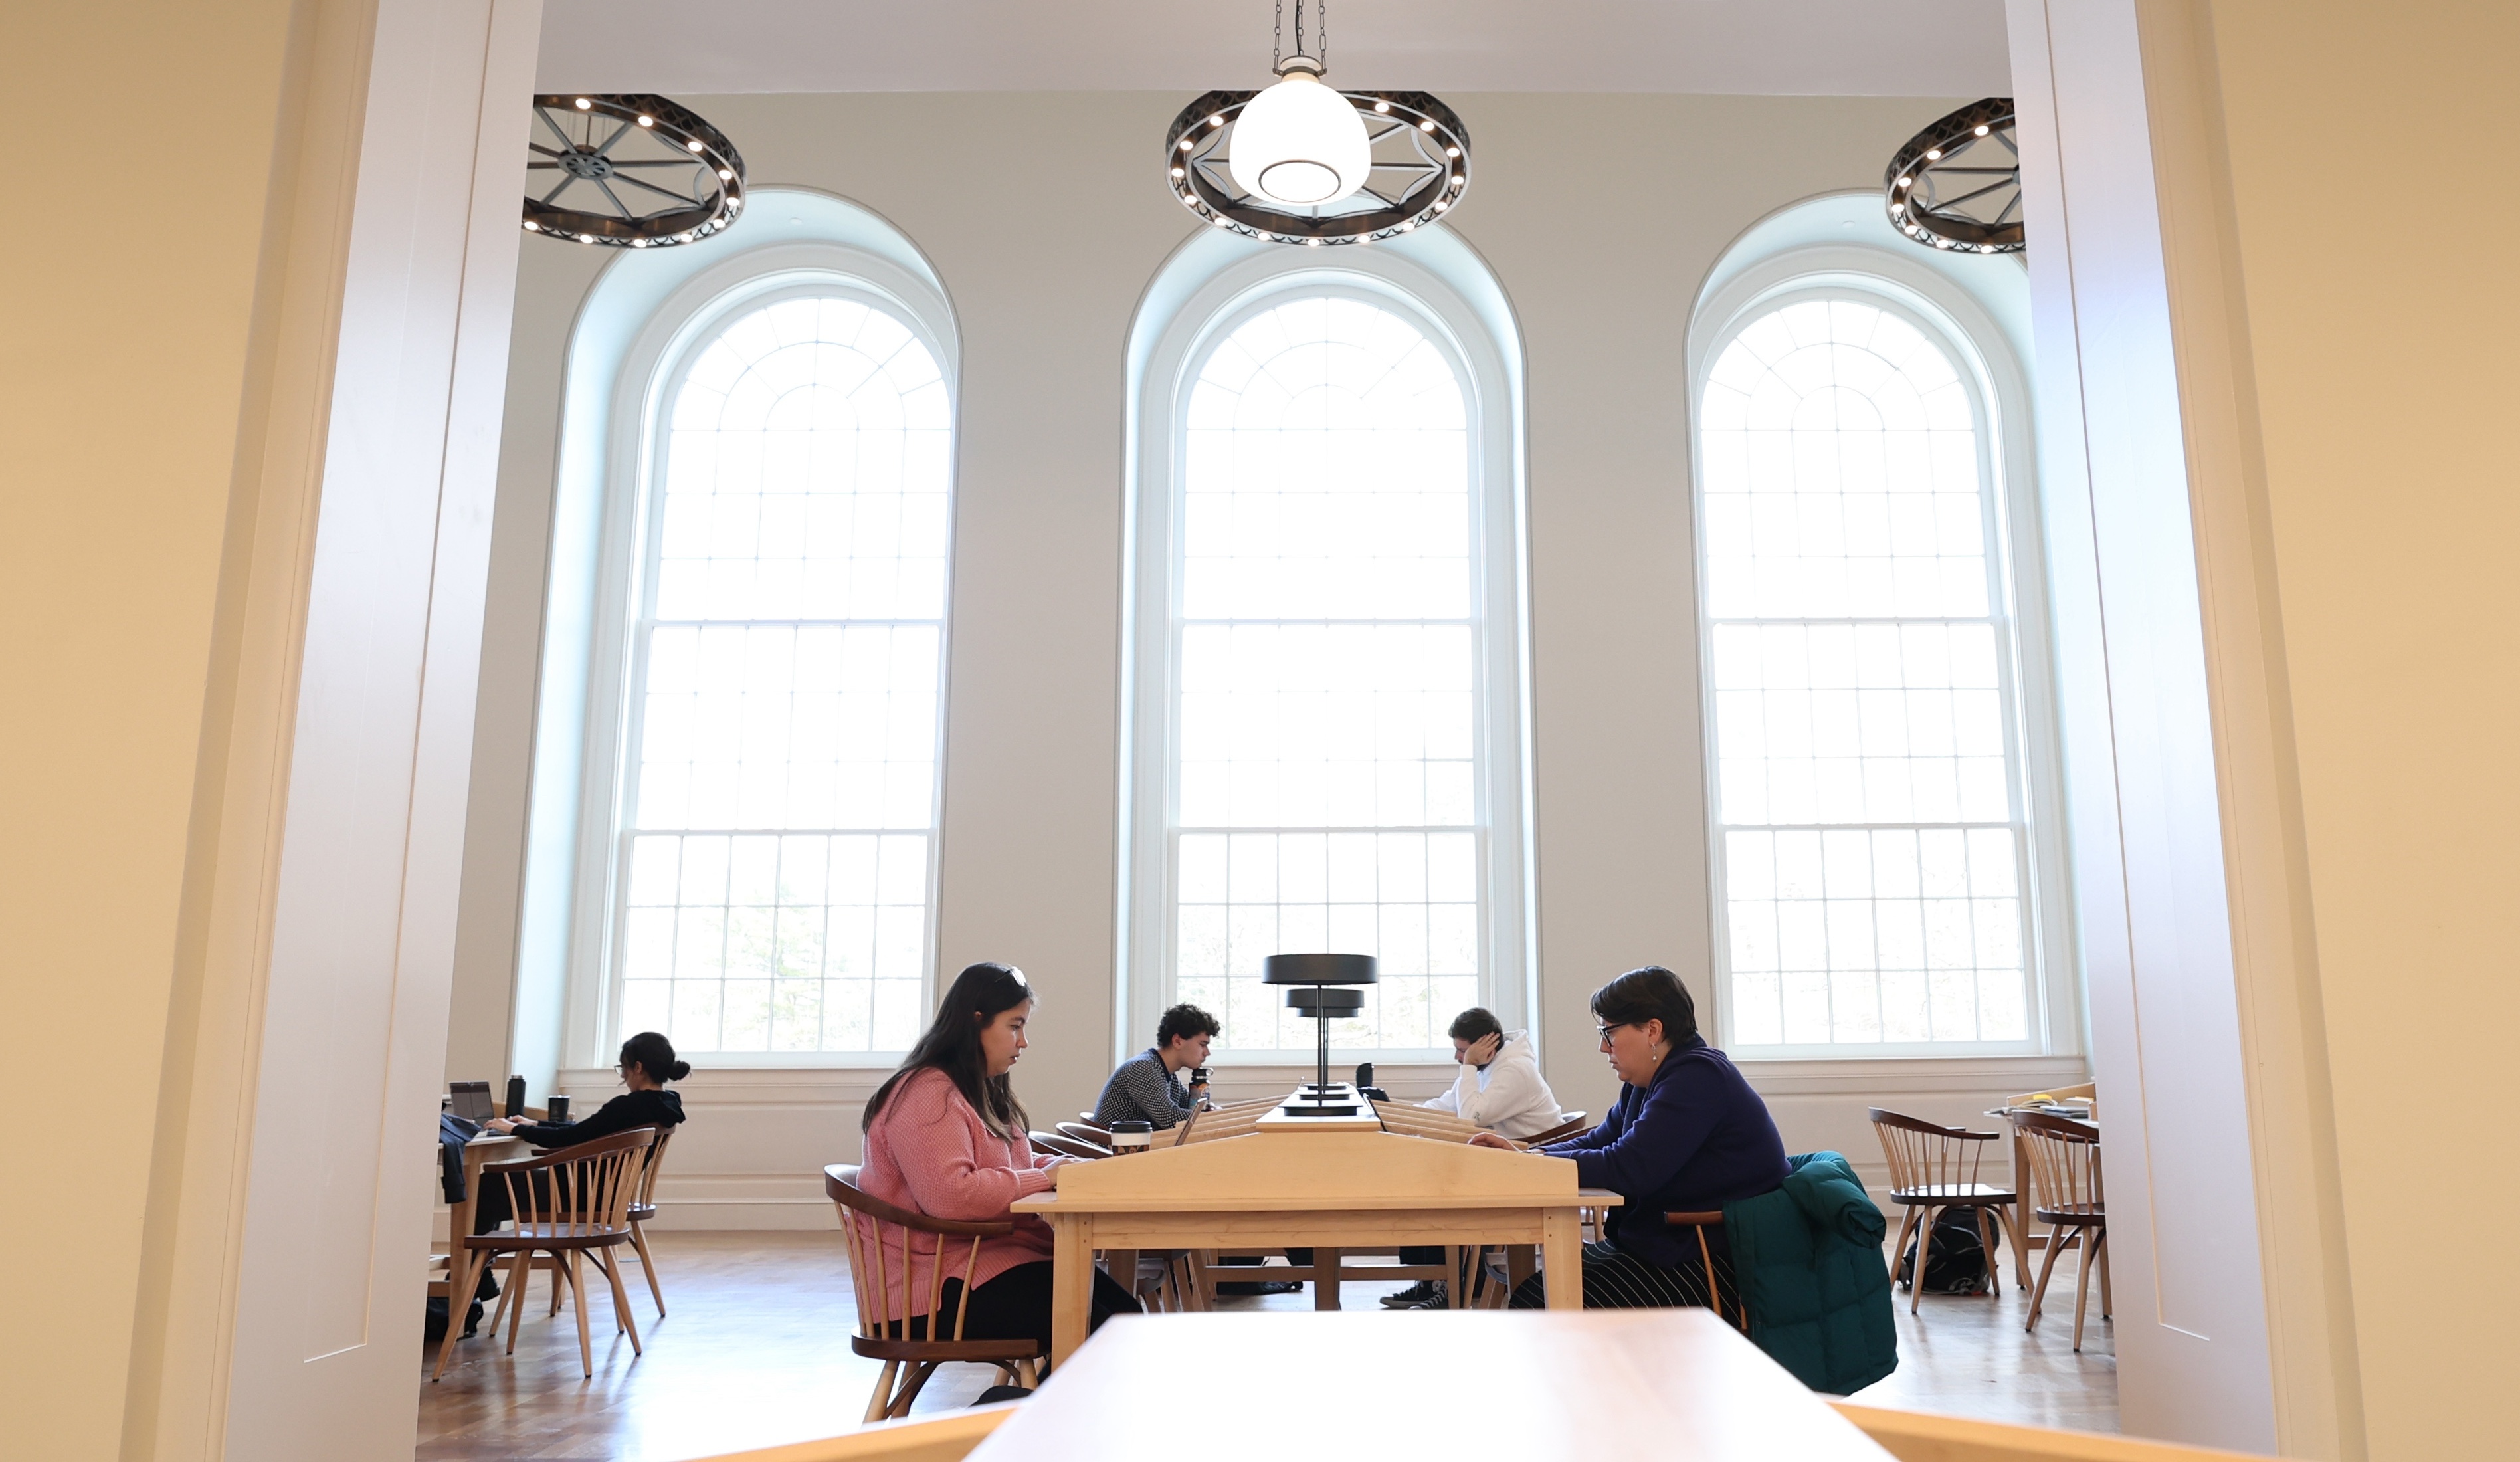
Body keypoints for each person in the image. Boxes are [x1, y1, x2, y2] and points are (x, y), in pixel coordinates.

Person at [858, 961, 1140, 1362]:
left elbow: (1014, 1160)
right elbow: (951, 1196)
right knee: (1107, 1330)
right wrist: (1044, 1178)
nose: (1023, 1042)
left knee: (1125, 1320)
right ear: (976, 1022)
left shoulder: (979, 1089)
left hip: (979, 1266)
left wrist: (1063, 1167)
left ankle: (1037, 1414)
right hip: (932, 1289)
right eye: (1014, 1026)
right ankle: (1035, 1417)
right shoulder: (926, 1093)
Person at [1472, 966, 1788, 1314]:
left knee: (1537, 1301)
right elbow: (1600, 1140)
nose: (1602, 1046)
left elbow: (1630, 1165)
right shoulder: (1651, 1080)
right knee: (1536, 1293)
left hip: (1716, 1263)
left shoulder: (1698, 1076)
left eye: (1609, 1032)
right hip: (1675, 1245)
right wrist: (1528, 1155)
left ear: (1652, 1030)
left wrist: (1531, 1165)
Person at [1384, 1007, 1567, 1308]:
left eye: (1463, 1051)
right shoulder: (1488, 1067)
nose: (1459, 1058)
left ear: (1486, 1046)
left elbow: (1471, 1116)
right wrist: (1398, 1113)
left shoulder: (1515, 1071)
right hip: (1507, 1156)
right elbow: (1448, 1104)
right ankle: (1431, 1281)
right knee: (1430, 1172)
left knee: (1441, 1182)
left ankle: (1448, 1286)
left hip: (1533, 1164)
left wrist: (1468, 1066)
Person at [470, 1031, 692, 1239]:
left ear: (638, 1068)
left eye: (623, 1068)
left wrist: (517, 1129)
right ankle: (479, 1272)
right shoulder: (667, 1104)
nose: (623, 1076)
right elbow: (585, 1131)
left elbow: (570, 1139)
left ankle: (476, 1273)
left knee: (490, 1184)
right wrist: (535, 1123)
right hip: (608, 1196)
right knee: (497, 1186)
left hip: (580, 1196)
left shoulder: (628, 1106)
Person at [1092, 1003, 1215, 1130]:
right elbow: (1170, 1119)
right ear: (1178, 1041)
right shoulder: (1143, 1068)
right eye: (1202, 1044)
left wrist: (1211, 1112)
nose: (1207, 1052)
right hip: (1116, 1149)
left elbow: (1188, 1108)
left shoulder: (1166, 1074)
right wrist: (1215, 1118)